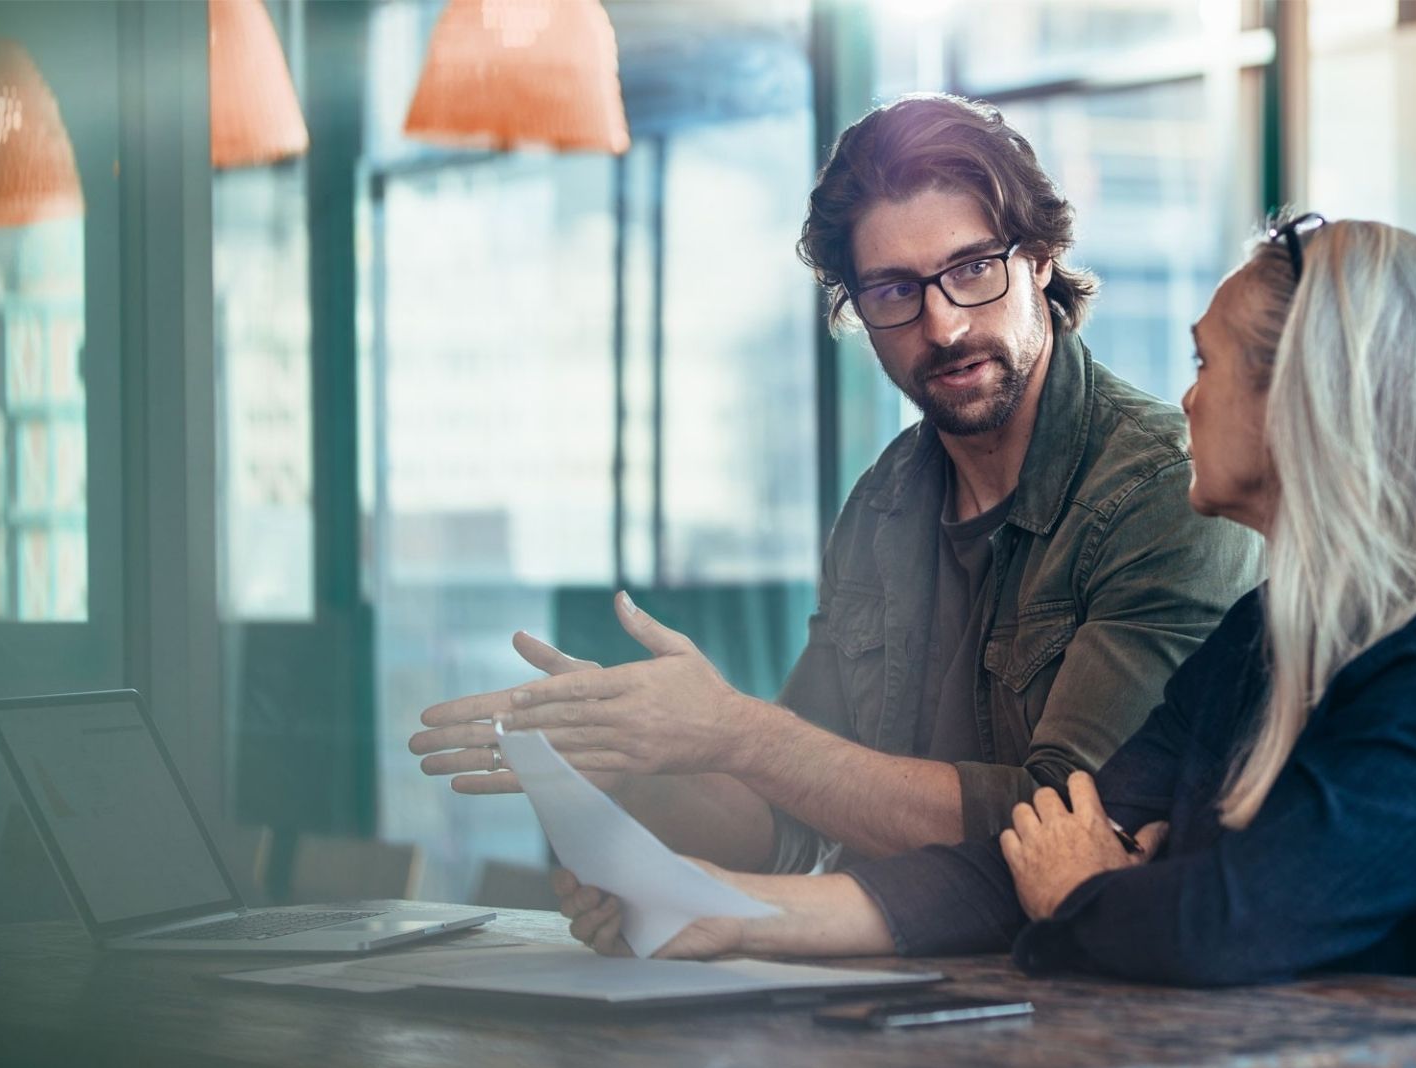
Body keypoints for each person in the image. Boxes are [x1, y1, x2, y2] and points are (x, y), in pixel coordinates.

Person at [555, 216, 1416, 993]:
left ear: (1306, 399)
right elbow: (1021, 854)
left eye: (1206, 362)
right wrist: (718, 908)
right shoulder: (1266, 639)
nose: (1185, 396)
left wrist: (1088, 890)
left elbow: (1228, 924)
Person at [408, 94, 1259, 874]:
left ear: (1038, 260)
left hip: (1091, 999)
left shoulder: (1165, 489)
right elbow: (789, 822)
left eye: (972, 270)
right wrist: (628, 756)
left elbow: (1073, 825)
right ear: (857, 311)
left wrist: (738, 732)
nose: (944, 324)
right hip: (882, 990)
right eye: (894, 290)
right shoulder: (884, 505)